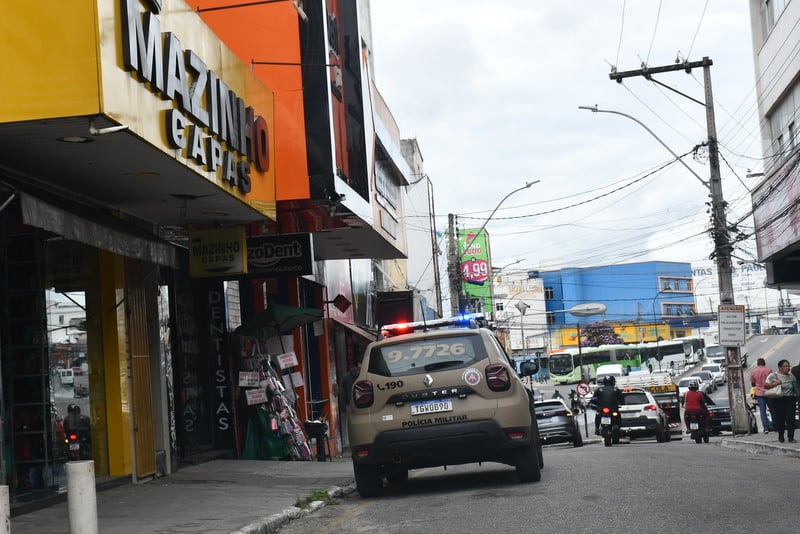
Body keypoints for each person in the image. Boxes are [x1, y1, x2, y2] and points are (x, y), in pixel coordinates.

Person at [764, 359, 798, 443]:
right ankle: (781, 435)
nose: (788, 368)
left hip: (790, 399)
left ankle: (791, 437)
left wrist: (796, 393)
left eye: (788, 366)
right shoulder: (773, 375)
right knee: (780, 419)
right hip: (779, 399)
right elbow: (765, 385)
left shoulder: (791, 376)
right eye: (785, 366)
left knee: (791, 418)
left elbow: (795, 385)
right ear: (780, 367)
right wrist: (775, 383)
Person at [750, 357, 774, 433]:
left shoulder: (754, 372)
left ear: (757, 364)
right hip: (769, 392)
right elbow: (772, 381)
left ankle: (766, 427)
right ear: (764, 363)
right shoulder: (769, 370)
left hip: (759, 394)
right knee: (772, 409)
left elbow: (753, 384)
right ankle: (775, 425)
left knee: (762, 411)